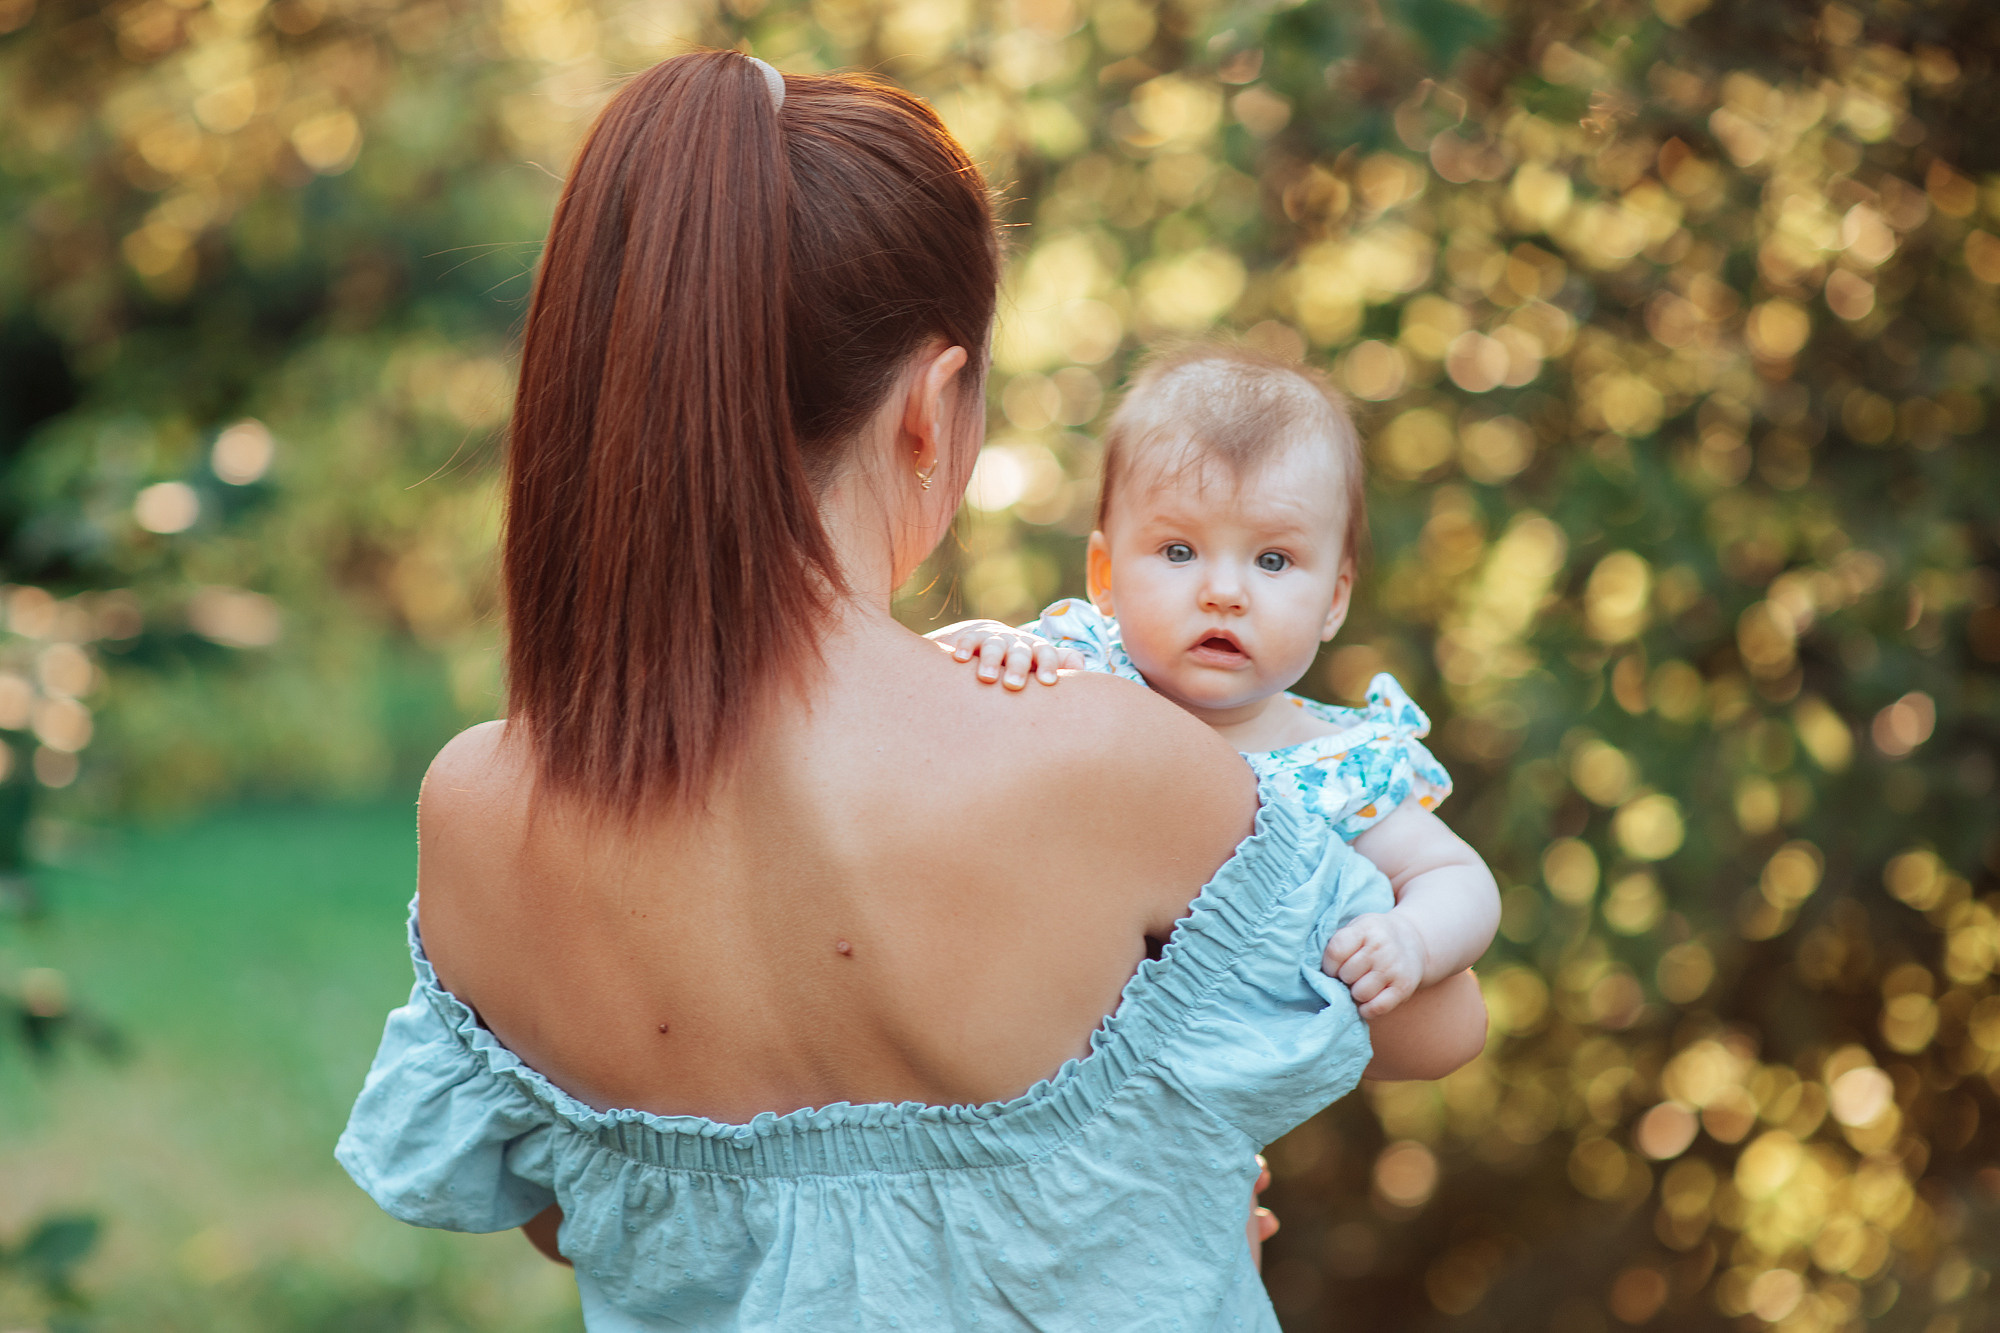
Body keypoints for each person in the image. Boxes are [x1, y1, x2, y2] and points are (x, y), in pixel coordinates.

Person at [335, 50, 1486, 1331]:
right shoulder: (1107, 761)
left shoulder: (477, 811)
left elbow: (578, 1219)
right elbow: (1435, 1025)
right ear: (932, 407)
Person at [932, 346, 1500, 1021]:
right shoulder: (1078, 666)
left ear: (1334, 600)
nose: (1224, 592)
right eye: (1179, 551)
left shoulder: (1339, 770)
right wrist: (985, 643)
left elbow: (1455, 877)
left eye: (1273, 559)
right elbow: (921, 691)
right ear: (1106, 576)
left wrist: (1411, 939)